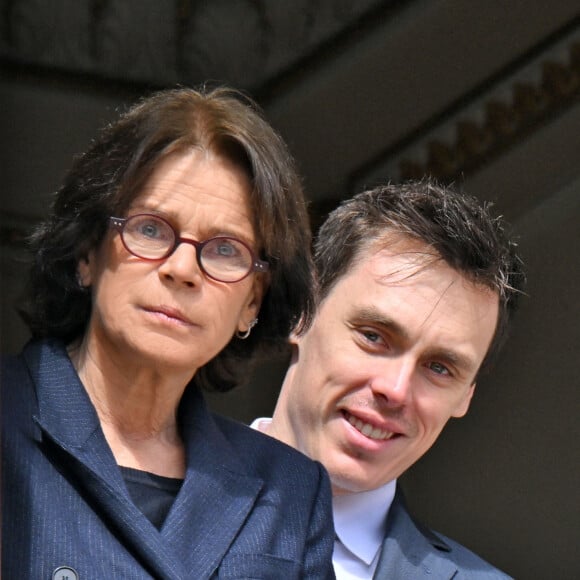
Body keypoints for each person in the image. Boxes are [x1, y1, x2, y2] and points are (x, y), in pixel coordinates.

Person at [1, 86, 336, 579]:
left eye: (225, 250)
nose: (183, 269)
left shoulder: (288, 491)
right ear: (88, 253)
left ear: (252, 303)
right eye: (152, 229)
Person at [253, 180, 525, 579]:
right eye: (374, 336)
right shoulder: (139, 496)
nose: (395, 390)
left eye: (439, 367)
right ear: (301, 312)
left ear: (467, 395)